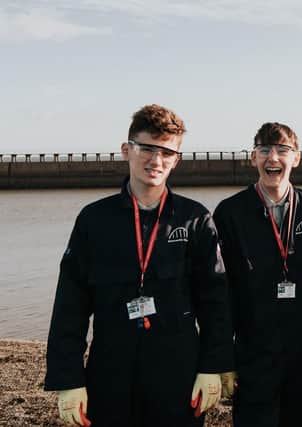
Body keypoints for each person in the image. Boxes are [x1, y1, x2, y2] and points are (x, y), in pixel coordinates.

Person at [44, 104, 233, 427]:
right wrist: (68, 379)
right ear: (126, 150)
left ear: (177, 160)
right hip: (110, 373)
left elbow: (215, 301)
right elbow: (70, 306)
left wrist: (212, 366)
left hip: (178, 373)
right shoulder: (94, 220)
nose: (156, 160)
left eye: (167, 152)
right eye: (147, 148)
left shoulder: (195, 219)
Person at [213, 122, 302, 427]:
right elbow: (219, 290)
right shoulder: (230, 212)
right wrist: (222, 355)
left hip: (300, 346)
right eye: (265, 150)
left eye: (283, 150)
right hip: (253, 348)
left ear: (296, 158)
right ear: (253, 158)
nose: (273, 158)